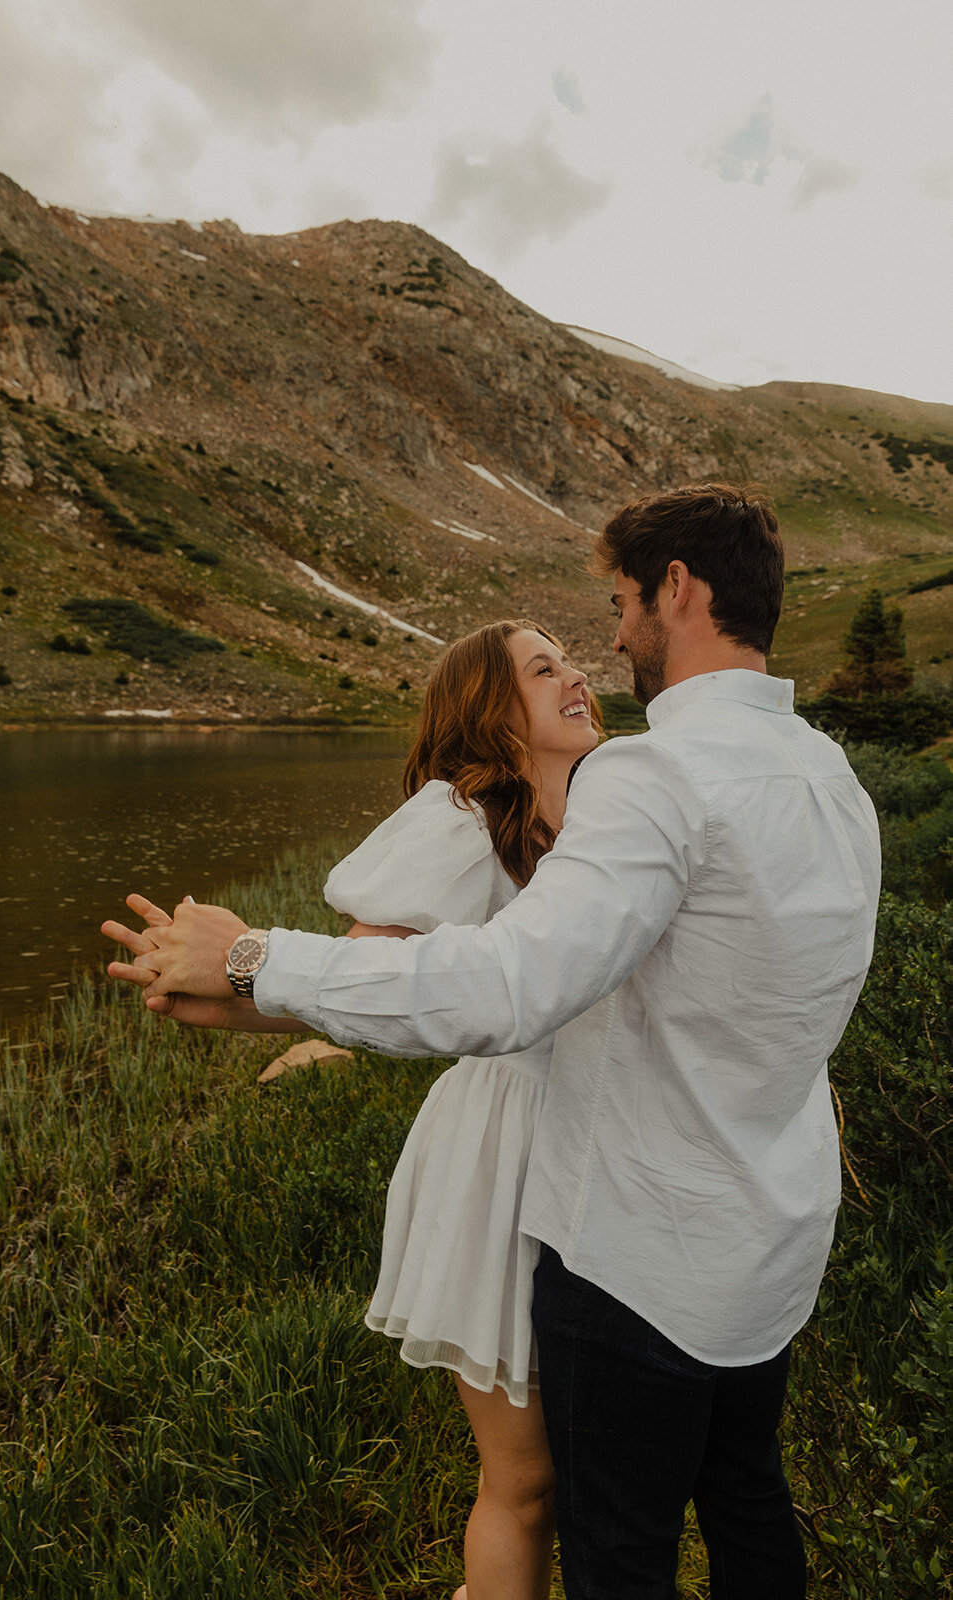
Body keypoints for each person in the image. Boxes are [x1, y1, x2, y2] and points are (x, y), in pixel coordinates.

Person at [107, 483, 882, 1599]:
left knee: (618, 1546)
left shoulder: (656, 775)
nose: (607, 641)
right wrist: (256, 994)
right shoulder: (830, 776)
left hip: (639, 1250)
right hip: (766, 1238)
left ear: (675, 589)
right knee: (749, 1504)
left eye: (618, 602)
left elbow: (512, 983)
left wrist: (252, 958)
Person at [104, 618, 603, 1600]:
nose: (576, 675)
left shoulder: (613, 810)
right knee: (528, 1479)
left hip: (605, 1142)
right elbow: (366, 973)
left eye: (570, 660)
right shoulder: (464, 818)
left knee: (600, 1466)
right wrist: (225, 988)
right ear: (488, 713)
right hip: (503, 1153)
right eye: (543, 669)